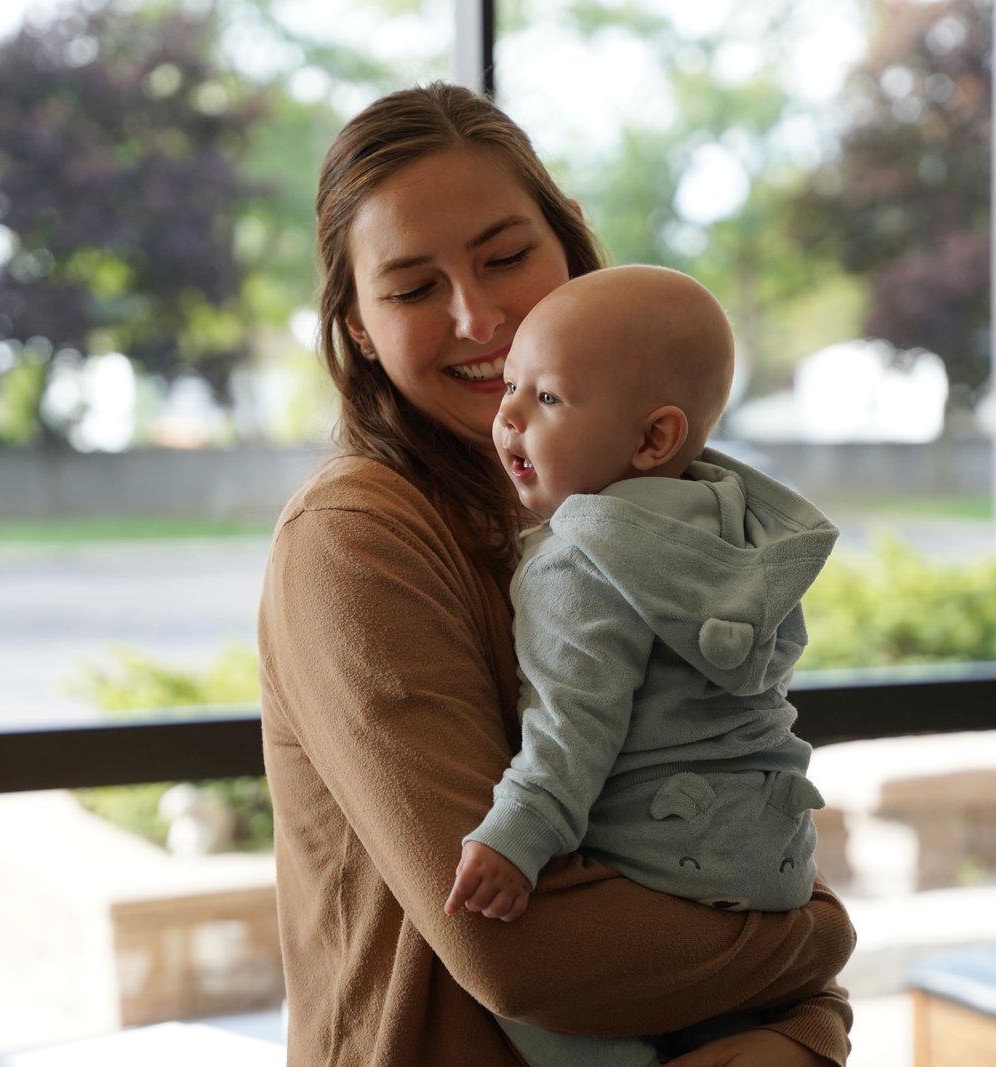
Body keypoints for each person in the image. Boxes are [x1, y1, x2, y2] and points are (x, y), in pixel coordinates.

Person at [258, 82, 857, 1067]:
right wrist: (817, 940)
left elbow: (739, 811)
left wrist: (802, 1029)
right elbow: (516, 946)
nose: (478, 315)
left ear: (570, 242)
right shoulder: (355, 537)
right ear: (357, 325)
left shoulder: (640, 499)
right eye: (412, 289)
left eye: (504, 258)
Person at [442, 265, 838, 1067]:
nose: (507, 414)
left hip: (657, 866)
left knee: (518, 992)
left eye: (545, 398)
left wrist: (518, 836)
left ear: (652, 438)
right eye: (512, 386)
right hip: (776, 861)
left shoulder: (578, 562)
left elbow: (573, 721)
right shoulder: (735, 531)